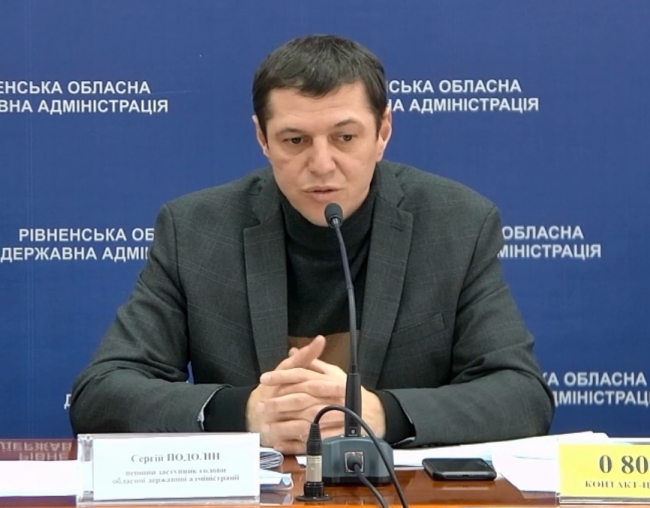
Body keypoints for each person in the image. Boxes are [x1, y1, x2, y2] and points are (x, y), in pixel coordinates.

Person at [70, 34, 554, 454]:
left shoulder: (456, 224)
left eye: (345, 137)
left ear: (383, 131)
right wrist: (247, 413)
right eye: (295, 141)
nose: (322, 164)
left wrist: (379, 414)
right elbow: (100, 395)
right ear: (262, 138)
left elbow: (522, 395)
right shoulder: (195, 230)